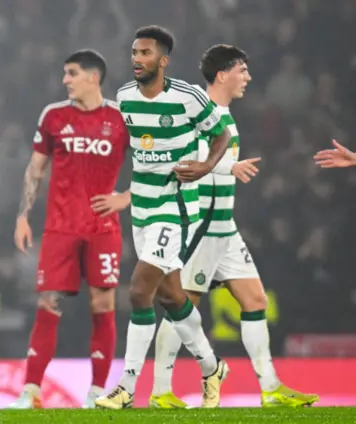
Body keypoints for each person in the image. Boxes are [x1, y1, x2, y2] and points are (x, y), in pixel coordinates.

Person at [149, 44, 319, 409]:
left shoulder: (225, 115)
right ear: (222, 74)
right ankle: (161, 390)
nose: (248, 77)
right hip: (201, 228)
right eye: (242, 70)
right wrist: (228, 167)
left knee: (255, 300)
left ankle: (271, 388)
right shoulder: (199, 113)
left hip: (225, 228)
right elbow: (185, 163)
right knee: (185, 305)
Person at [95, 26, 231, 410]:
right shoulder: (124, 97)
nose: (137, 59)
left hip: (178, 206)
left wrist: (205, 166)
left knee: (139, 291)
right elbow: (128, 147)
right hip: (143, 206)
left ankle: (126, 387)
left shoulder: (187, 97)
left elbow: (220, 135)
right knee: (172, 296)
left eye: (145, 53)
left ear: (163, 60)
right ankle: (212, 367)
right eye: (134, 52)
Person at [9, 49, 131, 409]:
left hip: (103, 227)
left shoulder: (121, 118)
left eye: (72, 73)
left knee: (102, 303)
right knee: (49, 303)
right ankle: (31, 390)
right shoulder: (54, 116)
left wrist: (126, 197)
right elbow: (35, 169)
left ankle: (96, 391)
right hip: (60, 228)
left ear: (93, 77)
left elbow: (155, 163)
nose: (65, 80)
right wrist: (22, 216)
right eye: (65, 73)